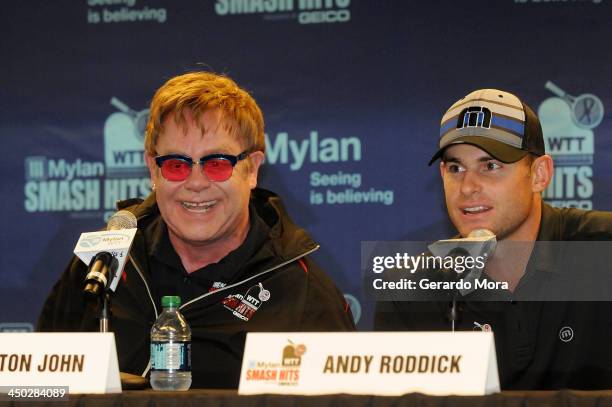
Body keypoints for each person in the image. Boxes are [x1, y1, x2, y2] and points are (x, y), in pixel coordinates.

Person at [38, 71, 355, 388]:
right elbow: (38, 389)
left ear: (252, 169)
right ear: (153, 169)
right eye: (177, 164)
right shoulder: (102, 266)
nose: (196, 183)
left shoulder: (303, 292)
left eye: (217, 162)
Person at [374, 89, 612, 389]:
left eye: (491, 166)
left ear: (539, 174)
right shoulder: (411, 292)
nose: (468, 187)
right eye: (456, 168)